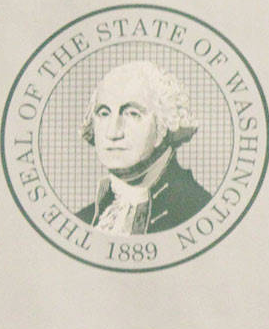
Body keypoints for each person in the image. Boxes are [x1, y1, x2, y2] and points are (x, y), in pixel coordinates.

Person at [76, 60, 210, 234]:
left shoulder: (197, 212)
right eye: (104, 113)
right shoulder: (83, 220)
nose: (113, 132)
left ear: (163, 124)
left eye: (132, 114)